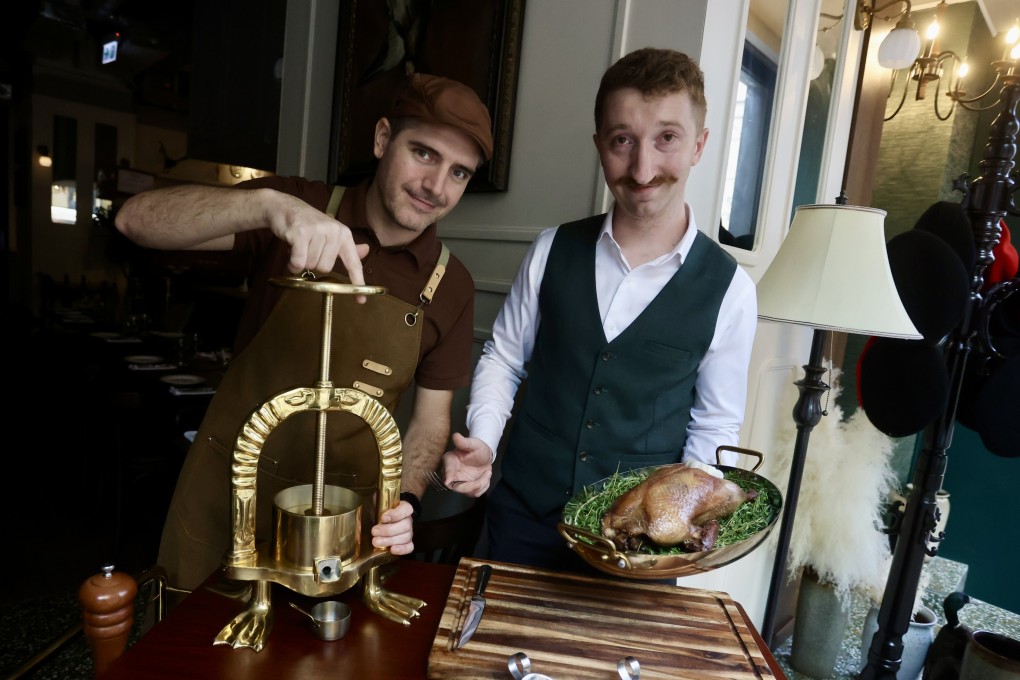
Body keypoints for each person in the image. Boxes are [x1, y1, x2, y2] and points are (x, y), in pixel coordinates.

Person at [115, 73, 493, 592]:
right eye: (423, 154)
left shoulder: (451, 284)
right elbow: (135, 220)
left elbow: (430, 422)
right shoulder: (296, 205)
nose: (436, 187)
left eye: (459, 173)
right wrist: (268, 206)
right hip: (229, 492)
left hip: (341, 523)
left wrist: (404, 502)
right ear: (383, 139)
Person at [439, 48, 758, 572]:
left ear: (699, 146)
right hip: (523, 516)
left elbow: (714, 426)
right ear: (599, 146)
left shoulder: (731, 290)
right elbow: (503, 358)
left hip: (642, 551)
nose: (643, 168)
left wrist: (677, 531)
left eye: (667, 139)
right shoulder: (550, 250)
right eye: (622, 141)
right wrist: (484, 442)